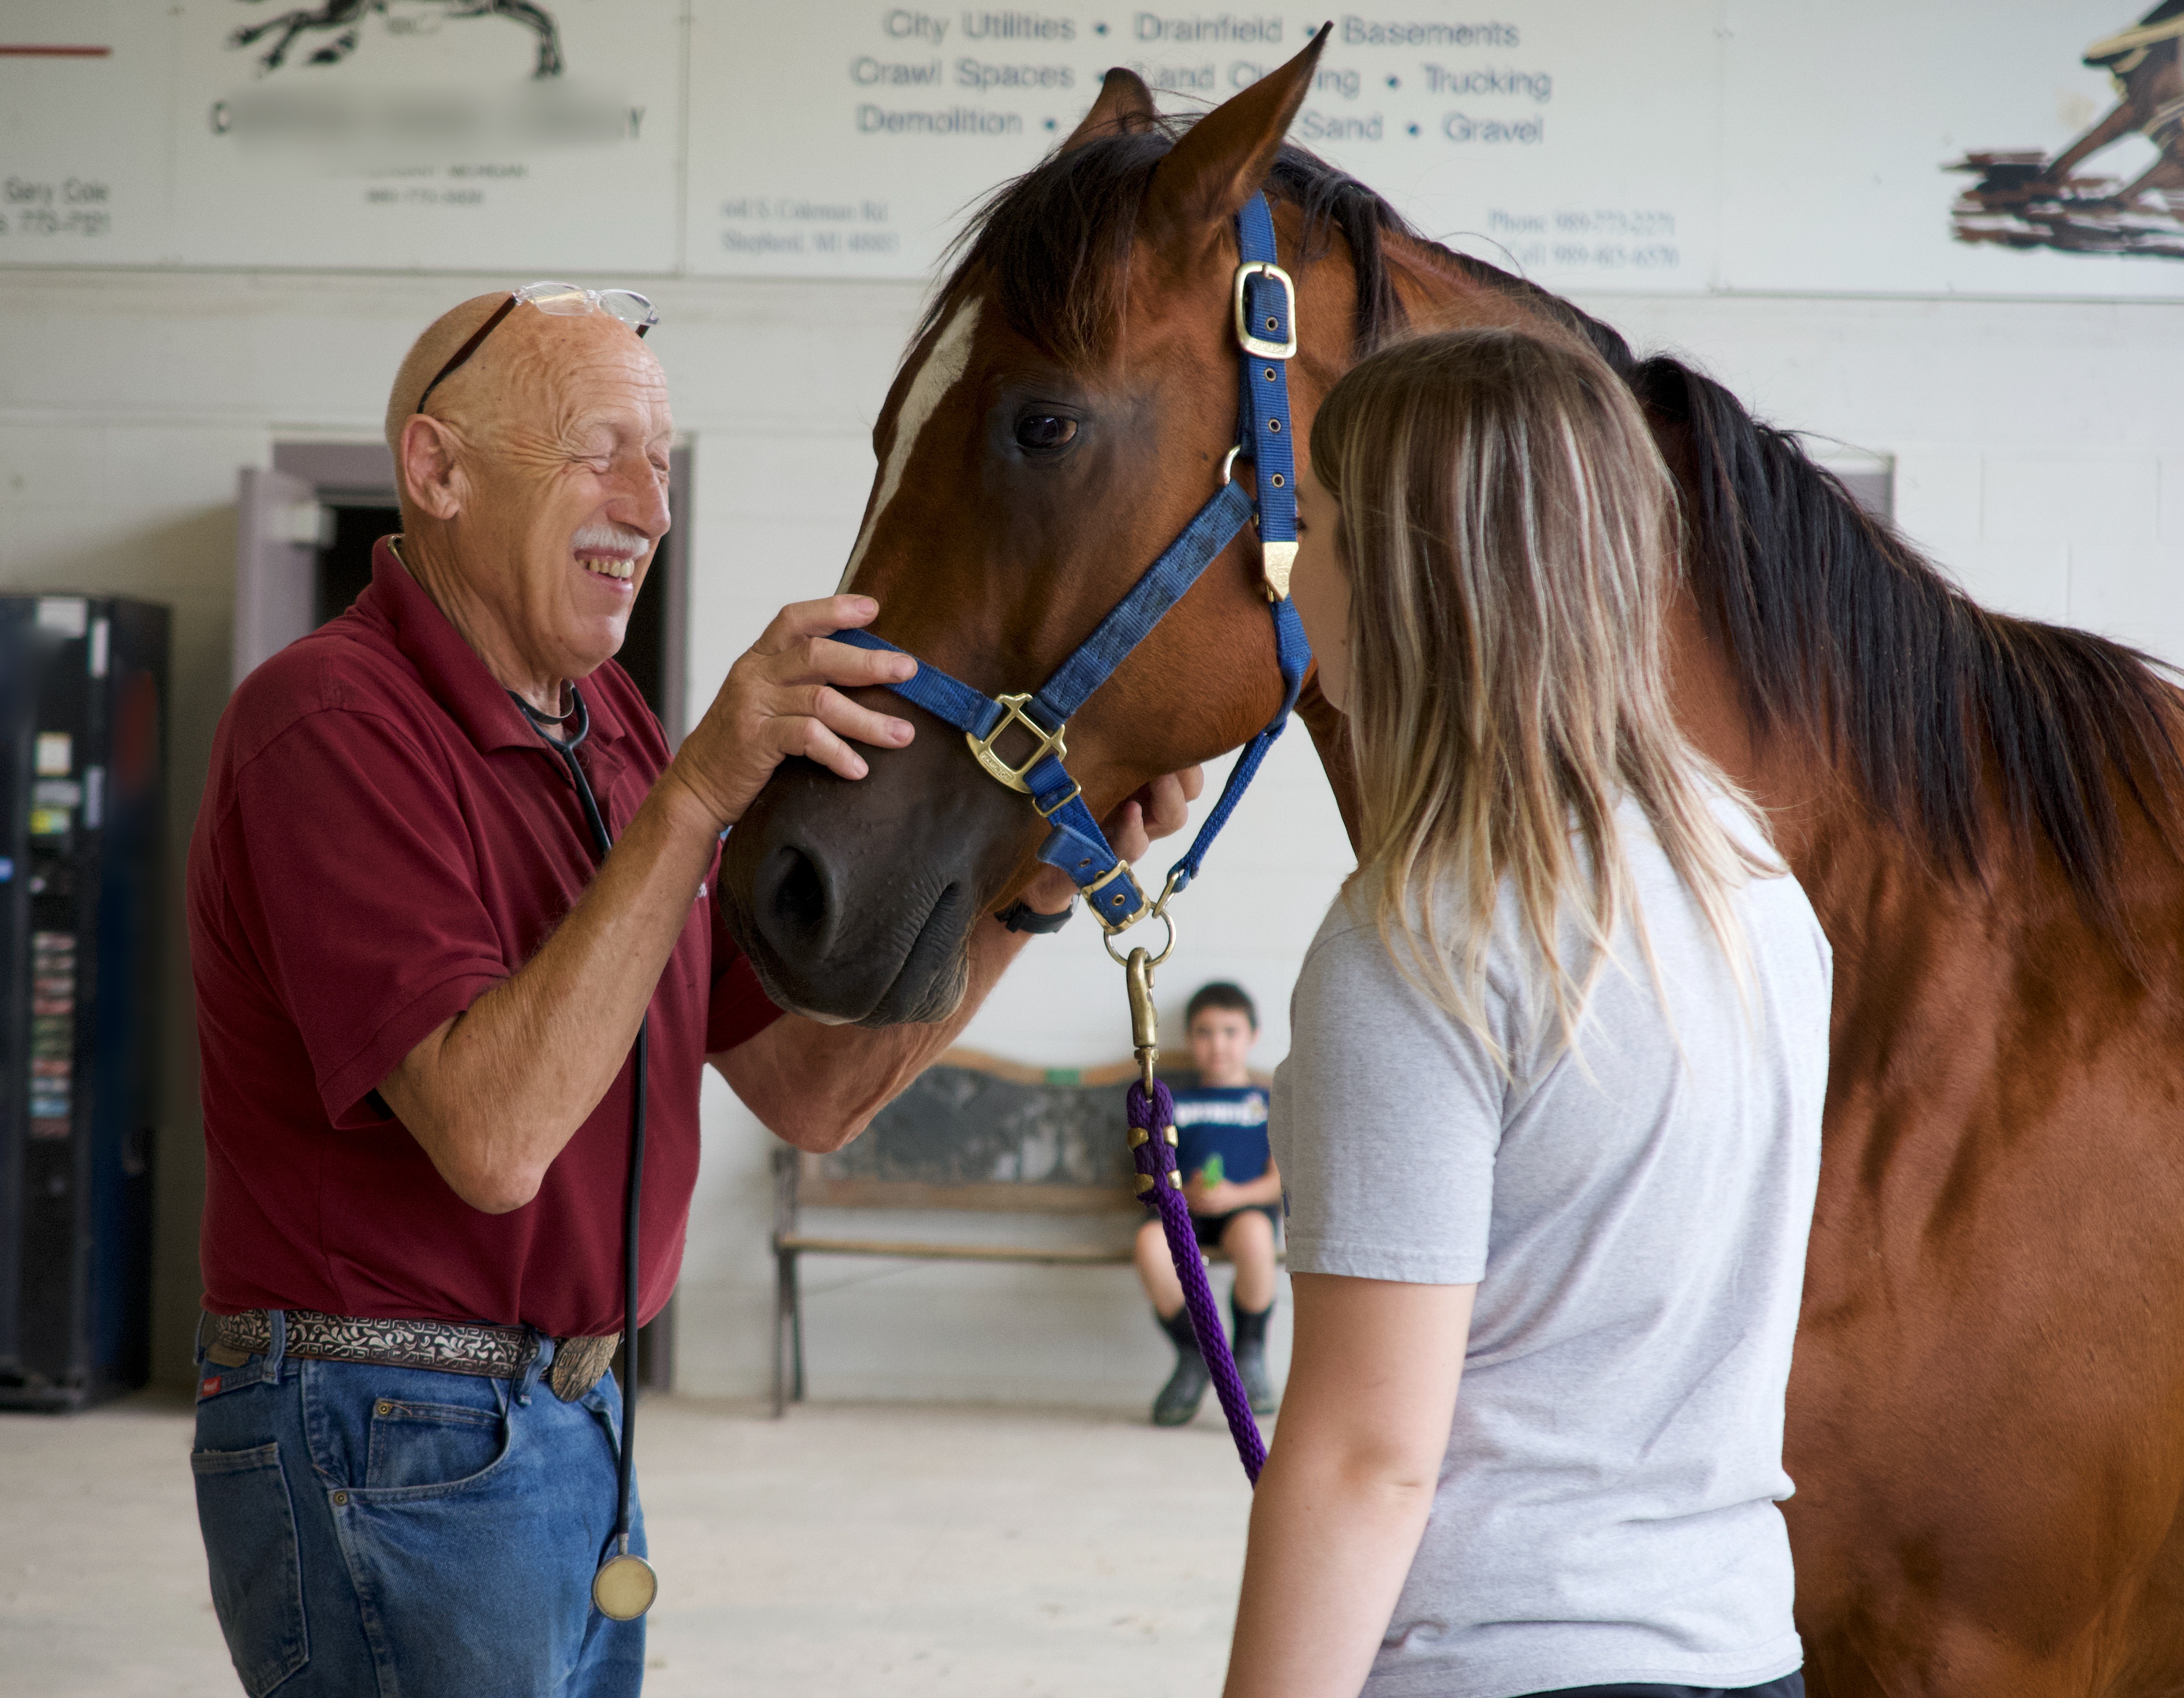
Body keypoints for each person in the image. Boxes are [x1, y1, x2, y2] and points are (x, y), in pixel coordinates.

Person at [183, 282, 1204, 1698]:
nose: (649, 508)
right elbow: (491, 1138)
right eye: (603, 446)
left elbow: (814, 1086)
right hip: (392, 1426)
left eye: (660, 463)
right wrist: (701, 791)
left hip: (570, 1419)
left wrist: (1031, 890)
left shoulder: (608, 731)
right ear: (438, 468)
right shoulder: (327, 722)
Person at [1222, 328, 1831, 1698]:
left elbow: (1370, 1456)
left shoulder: (1421, 934)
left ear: (1403, 575)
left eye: (1309, 525)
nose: (1286, 570)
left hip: (1502, 1658)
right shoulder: (1749, 873)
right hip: (1741, 1649)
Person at [1137, 979, 1282, 1426]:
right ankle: (1196, 1353)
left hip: (1245, 1211)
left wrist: (1236, 1196)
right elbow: (1152, 1173)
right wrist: (1184, 1195)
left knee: (1257, 1238)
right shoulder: (1170, 1101)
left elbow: (1279, 1183)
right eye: (1204, 1032)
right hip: (1184, 1212)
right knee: (1149, 1243)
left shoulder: (1268, 1102)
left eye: (1230, 1031)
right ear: (1188, 1039)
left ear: (1252, 1037)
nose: (1217, 1043)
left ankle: (1250, 1352)